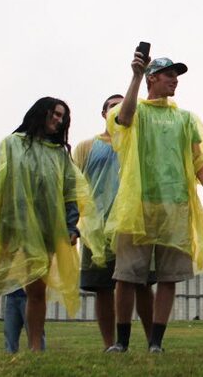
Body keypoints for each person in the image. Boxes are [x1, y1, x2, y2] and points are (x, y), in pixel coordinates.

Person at [105, 51, 203, 353]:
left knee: (168, 275)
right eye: (169, 74)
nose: (175, 80)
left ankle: (156, 342)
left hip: (175, 204)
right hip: (138, 203)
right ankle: (121, 342)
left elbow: (197, 156)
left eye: (177, 75)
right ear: (153, 78)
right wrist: (135, 76)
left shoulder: (184, 117)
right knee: (126, 274)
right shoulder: (136, 112)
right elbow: (123, 118)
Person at [0, 97, 104, 351]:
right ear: (40, 112)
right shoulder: (12, 145)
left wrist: (70, 227)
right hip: (9, 227)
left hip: (44, 233)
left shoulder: (60, 155)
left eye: (62, 117)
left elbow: (71, 192)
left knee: (36, 292)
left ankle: (36, 348)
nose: (58, 119)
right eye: (55, 114)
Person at [73, 94, 154, 350]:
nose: (118, 109)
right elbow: (75, 186)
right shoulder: (86, 146)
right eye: (112, 106)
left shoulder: (138, 144)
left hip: (132, 224)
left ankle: (154, 342)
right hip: (96, 228)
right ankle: (111, 344)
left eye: (122, 105)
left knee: (140, 283)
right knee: (102, 286)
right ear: (103, 113)